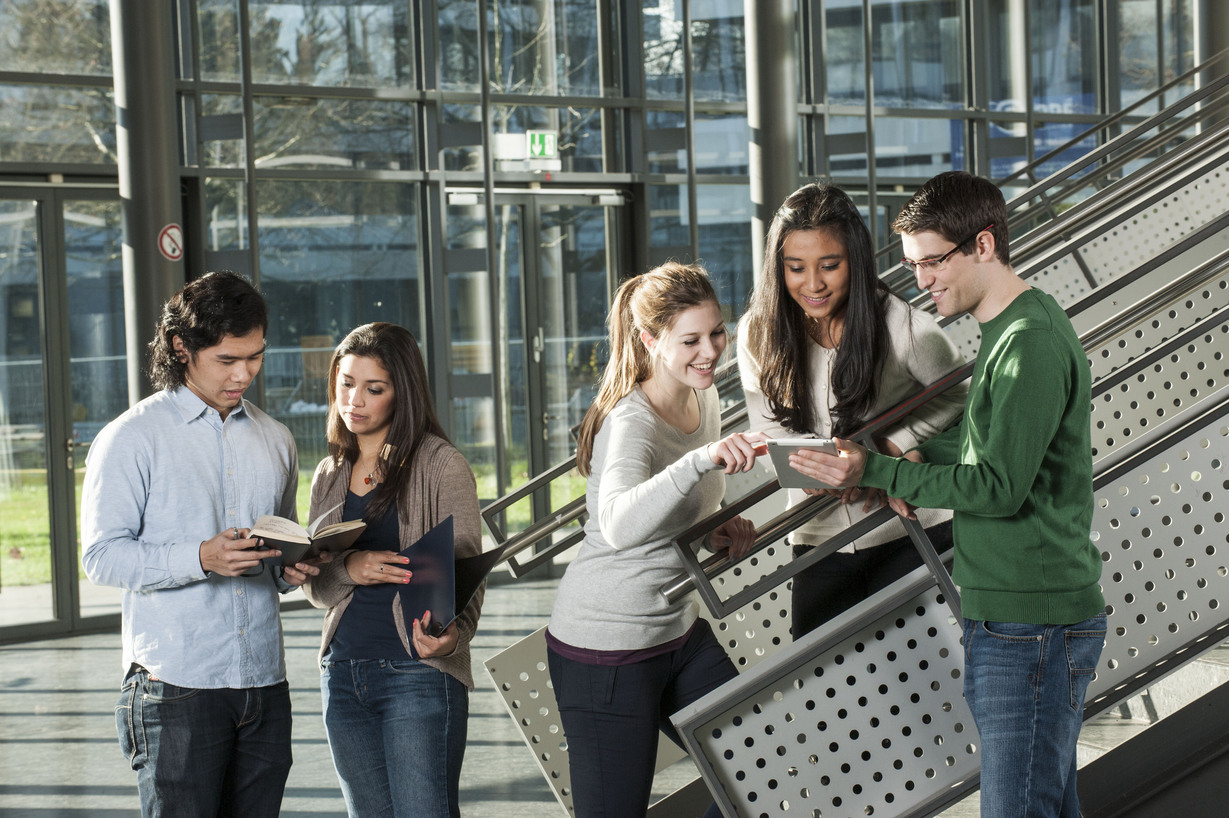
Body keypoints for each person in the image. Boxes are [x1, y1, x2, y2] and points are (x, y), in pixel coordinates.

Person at [794, 171, 1107, 818]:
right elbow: (984, 450)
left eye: (932, 262)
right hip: (1014, 614)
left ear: (983, 246)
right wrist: (908, 455)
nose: (922, 281)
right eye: (911, 266)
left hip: (1032, 623)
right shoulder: (1006, 332)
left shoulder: (1028, 346)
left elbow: (994, 486)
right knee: (1041, 803)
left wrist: (875, 473)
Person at [81, 271, 321, 818]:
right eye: (227, 360)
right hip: (176, 687)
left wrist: (293, 567)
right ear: (181, 348)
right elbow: (100, 556)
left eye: (255, 357)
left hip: (264, 681)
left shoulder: (276, 438)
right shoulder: (131, 438)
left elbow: (277, 545)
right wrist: (200, 558)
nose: (244, 374)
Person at [546, 262, 765, 818]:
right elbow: (619, 524)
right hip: (607, 649)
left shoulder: (703, 396)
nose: (710, 351)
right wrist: (699, 462)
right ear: (649, 340)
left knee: (760, 765)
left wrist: (712, 528)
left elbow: (669, 509)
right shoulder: (631, 421)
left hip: (678, 631)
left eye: (716, 332)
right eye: (690, 340)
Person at [737, 182, 967, 638]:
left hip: (912, 531)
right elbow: (766, 429)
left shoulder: (906, 327)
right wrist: (821, 468)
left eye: (829, 265)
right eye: (795, 268)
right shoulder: (757, 333)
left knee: (934, 691)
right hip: (818, 543)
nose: (813, 284)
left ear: (855, 261)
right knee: (821, 692)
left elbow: (960, 393)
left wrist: (890, 446)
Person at [301, 322, 483, 818]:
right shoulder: (330, 472)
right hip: (342, 673)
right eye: (346, 383)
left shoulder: (442, 465)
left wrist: (454, 638)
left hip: (417, 673)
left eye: (373, 389)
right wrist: (349, 569)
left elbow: (467, 573)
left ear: (402, 393)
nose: (353, 400)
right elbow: (319, 592)